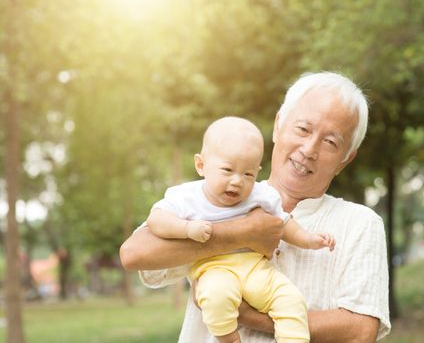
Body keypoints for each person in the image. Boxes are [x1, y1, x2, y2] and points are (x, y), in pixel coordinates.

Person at [120, 71, 391, 342]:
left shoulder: (360, 224)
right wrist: (241, 232)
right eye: (303, 129)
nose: (309, 149)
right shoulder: (212, 198)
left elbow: (360, 330)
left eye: (330, 142)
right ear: (278, 126)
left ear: (345, 159)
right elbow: (134, 254)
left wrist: (249, 316)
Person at [145, 116, 335, 343]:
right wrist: (186, 228)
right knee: (216, 297)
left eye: (248, 174)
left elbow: (284, 223)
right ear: (201, 165)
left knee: (291, 300)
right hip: (213, 269)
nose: (237, 181)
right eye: (227, 170)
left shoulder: (260, 195)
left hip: (256, 269)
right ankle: (229, 339)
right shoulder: (187, 196)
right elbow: (156, 219)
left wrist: (310, 240)